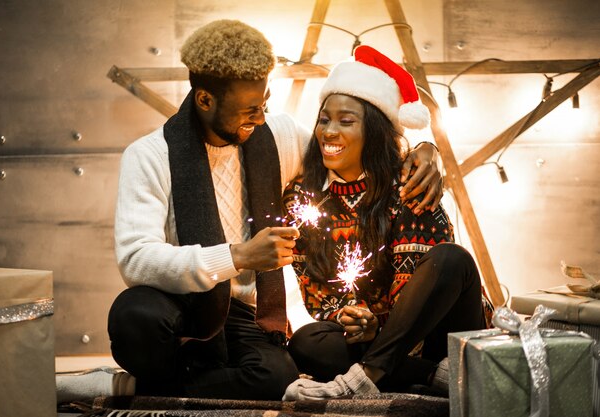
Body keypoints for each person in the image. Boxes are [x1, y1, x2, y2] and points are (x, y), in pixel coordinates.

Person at [56, 21, 444, 403]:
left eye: (264, 104)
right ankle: (191, 375)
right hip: (180, 303)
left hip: (245, 313)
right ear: (205, 100)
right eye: (248, 110)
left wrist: (425, 150)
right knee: (134, 318)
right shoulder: (150, 155)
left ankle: (133, 388)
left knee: (276, 377)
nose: (259, 119)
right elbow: (135, 258)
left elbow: (353, 146)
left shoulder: (279, 135)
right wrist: (238, 256)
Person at [280, 45, 494, 401]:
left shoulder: (410, 186)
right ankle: (434, 378)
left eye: (346, 121)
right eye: (324, 119)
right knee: (307, 342)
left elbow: (421, 297)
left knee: (451, 259)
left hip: (438, 334)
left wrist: (377, 324)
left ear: (375, 132)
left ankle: (369, 375)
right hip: (376, 343)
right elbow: (315, 288)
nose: (329, 131)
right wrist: (351, 318)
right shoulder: (302, 198)